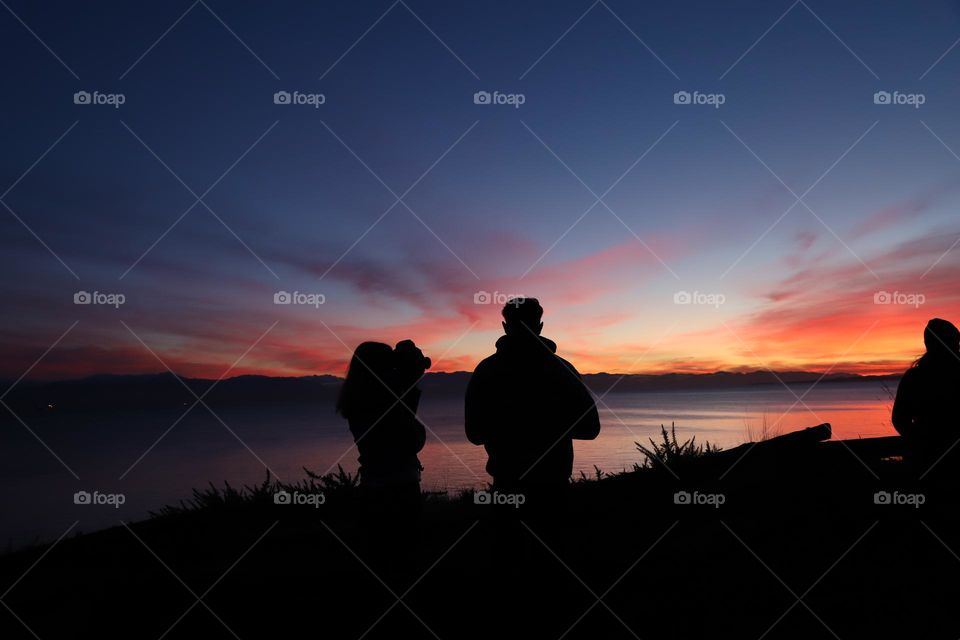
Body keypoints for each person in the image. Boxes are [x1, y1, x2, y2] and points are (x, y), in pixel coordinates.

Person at [465, 297, 601, 495]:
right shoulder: (563, 370)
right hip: (555, 489)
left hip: (507, 487)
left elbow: (475, 434)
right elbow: (590, 428)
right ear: (540, 326)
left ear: (505, 327)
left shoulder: (487, 371)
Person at [337, 340, 430, 504]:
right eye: (389, 363)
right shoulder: (381, 402)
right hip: (398, 489)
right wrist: (410, 383)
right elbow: (410, 440)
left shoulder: (359, 399)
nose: (394, 369)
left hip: (372, 485)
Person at [892, 318, 960, 472]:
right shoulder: (915, 377)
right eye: (955, 343)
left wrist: (917, 440)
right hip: (927, 458)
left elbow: (899, 419)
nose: (957, 347)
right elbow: (900, 419)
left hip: (922, 459)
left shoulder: (914, 377)